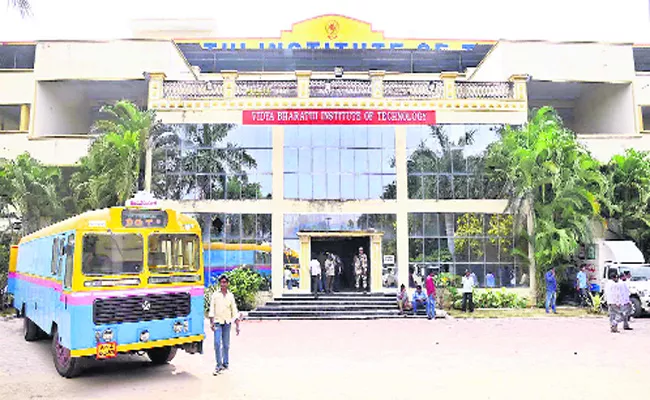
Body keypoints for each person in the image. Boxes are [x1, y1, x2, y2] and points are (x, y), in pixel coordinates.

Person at [208, 275, 241, 375]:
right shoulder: (215, 295)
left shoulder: (230, 296)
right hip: (218, 322)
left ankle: (225, 363)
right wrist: (211, 322)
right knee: (217, 343)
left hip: (227, 322)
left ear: (227, 283)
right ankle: (218, 365)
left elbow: (234, 310)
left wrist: (237, 325)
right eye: (221, 282)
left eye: (225, 282)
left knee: (226, 345)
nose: (223, 284)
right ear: (220, 283)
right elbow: (211, 309)